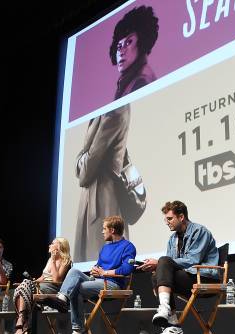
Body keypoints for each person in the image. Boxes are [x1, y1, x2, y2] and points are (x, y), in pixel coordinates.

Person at [74, 5, 159, 261]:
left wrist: (84, 160)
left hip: (102, 200)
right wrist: (84, 160)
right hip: (95, 198)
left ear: (142, 42)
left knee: (102, 268)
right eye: (118, 44)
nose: (121, 50)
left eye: (129, 42)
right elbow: (82, 163)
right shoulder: (108, 104)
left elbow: (85, 170)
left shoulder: (118, 107)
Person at [138, 201, 220, 334]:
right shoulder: (172, 239)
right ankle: (173, 328)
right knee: (156, 275)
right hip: (187, 278)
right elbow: (169, 265)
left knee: (163, 262)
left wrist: (160, 263)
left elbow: (193, 260)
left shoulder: (199, 231)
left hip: (204, 278)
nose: (166, 222)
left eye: (169, 219)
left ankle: (165, 310)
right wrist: (157, 267)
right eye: (166, 219)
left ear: (181, 217)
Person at [42, 216, 135, 334]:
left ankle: (78, 330)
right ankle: (62, 299)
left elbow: (127, 269)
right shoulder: (105, 248)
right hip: (98, 281)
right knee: (74, 271)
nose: (102, 232)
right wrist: (95, 269)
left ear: (112, 230)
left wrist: (105, 272)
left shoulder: (128, 246)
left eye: (104, 229)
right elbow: (99, 265)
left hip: (113, 284)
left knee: (77, 288)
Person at [10, 237, 73, 334]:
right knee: (21, 287)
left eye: (52, 243)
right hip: (41, 286)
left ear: (59, 247)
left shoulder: (66, 261)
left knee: (25, 285)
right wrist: (29, 283)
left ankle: (23, 322)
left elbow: (57, 280)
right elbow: (43, 277)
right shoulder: (49, 260)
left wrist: (53, 260)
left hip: (53, 289)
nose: (49, 245)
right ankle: (22, 320)